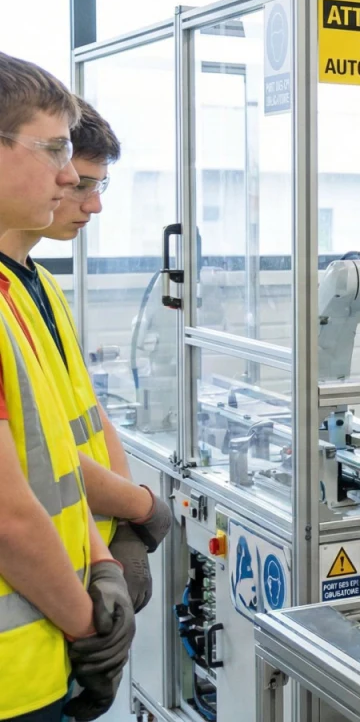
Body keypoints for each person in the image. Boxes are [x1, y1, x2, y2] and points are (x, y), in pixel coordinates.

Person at [0, 52, 133, 722]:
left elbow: (54, 445)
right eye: (53, 150)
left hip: (47, 640)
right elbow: (6, 512)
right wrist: (89, 628)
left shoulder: (25, 290)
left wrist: (105, 553)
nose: (66, 178)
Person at [0, 102, 172, 618]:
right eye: (79, 183)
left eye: (96, 185)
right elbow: (37, 465)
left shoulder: (43, 286)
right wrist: (140, 506)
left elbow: (89, 418)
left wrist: (120, 530)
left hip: (83, 558)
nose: (90, 203)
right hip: (42, 585)